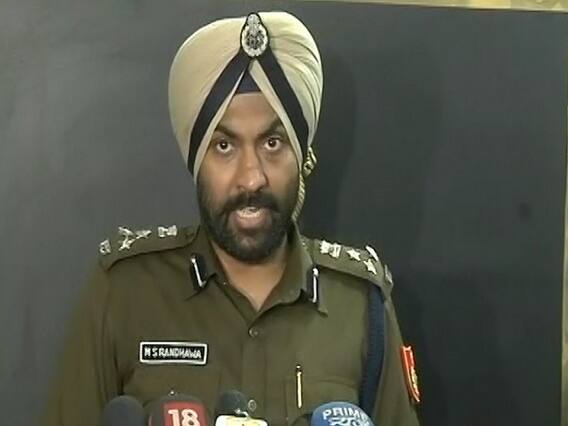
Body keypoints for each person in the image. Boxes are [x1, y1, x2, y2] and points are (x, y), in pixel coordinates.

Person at [41, 11, 420, 426]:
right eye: (224, 146)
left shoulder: (359, 305)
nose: (251, 177)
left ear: (302, 159)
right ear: (196, 162)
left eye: (272, 143)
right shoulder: (124, 293)